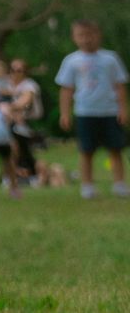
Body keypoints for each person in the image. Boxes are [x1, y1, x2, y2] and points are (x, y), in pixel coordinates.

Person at [56, 19, 129, 199]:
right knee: (86, 150)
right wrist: (65, 113)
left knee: (116, 148)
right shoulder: (71, 61)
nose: (86, 39)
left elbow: (120, 86)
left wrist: (123, 109)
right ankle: (87, 186)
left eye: (90, 35)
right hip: (85, 112)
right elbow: (66, 89)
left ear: (98, 35)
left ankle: (120, 184)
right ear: (74, 38)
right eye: (81, 35)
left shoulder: (110, 59)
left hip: (109, 111)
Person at [4, 58, 42, 186]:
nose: (15, 73)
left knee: (23, 148)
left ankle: (32, 175)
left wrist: (10, 107)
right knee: (11, 148)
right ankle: (12, 175)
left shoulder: (29, 85)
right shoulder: (7, 85)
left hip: (28, 120)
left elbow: (25, 101)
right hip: (11, 121)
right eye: (12, 70)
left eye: (19, 70)